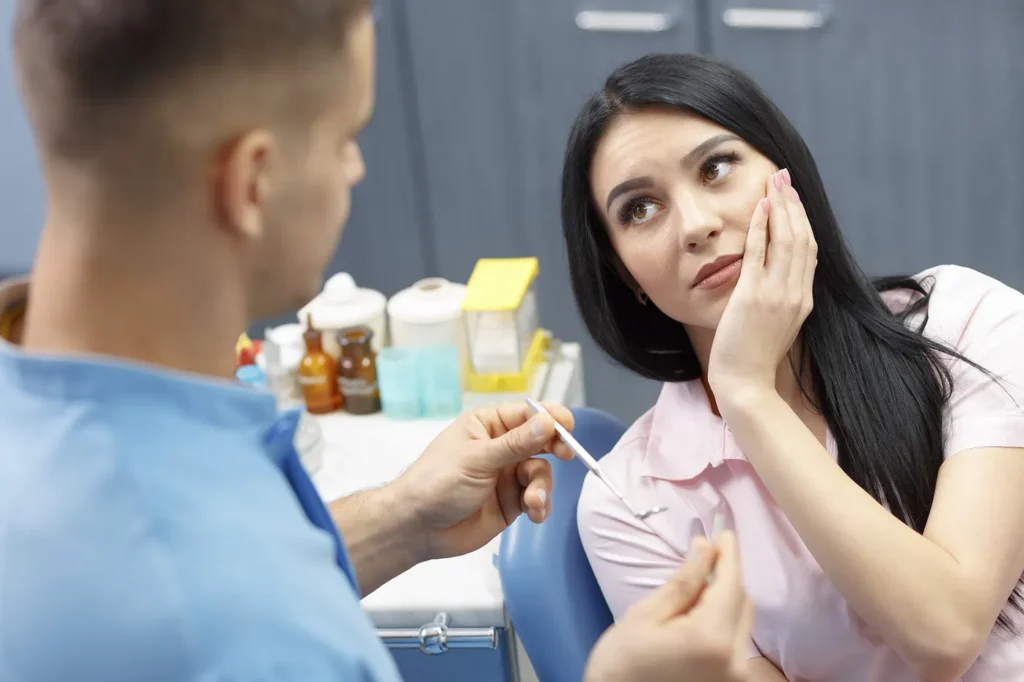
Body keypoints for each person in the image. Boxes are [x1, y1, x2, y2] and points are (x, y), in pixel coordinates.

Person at [0, 3, 756, 680]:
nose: (356, 169)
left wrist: (401, 519)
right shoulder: (250, 635)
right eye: (345, 138)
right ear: (253, 183)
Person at [563, 52, 1024, 682]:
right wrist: (745, 392)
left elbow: (946, 633)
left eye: (717, 167)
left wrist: (748, 393)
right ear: (625, 274)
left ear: (786, 173)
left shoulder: (965, 321)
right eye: (640, 208)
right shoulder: (628, 501)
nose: (696, 225)